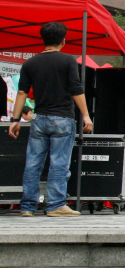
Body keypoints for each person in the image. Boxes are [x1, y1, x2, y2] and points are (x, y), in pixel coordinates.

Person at [7, 21, 93, 217]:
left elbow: (21, 93)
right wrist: (86, 115)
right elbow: (76, 89)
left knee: (33, 163)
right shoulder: (68, 61)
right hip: (62, 118)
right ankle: (55, 205)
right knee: (59, 163)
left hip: (39, 119)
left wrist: (15, 120)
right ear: (64, 40)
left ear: (43, 39)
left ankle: (27, 206)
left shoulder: (30, 63)